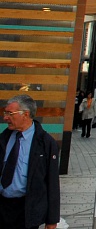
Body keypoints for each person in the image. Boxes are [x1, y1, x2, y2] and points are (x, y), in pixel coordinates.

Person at [0, 94, 59, 229]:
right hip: (3, 207)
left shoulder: (46, 143)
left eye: (10, 113)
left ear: (25, 114)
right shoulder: (4, 138)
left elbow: (52, 183)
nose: (5, 118)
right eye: (5, 113)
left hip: (26, 210)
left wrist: (52, 220)